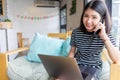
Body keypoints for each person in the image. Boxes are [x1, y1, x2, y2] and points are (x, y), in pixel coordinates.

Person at [55, 0, 120, 80]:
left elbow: (117, 59)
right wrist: (67, 67)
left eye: (94, 17)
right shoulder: (76, 32)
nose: (88, 21)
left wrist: (104, 37)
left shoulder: (105, 34)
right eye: (86, 16)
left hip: (93, 68)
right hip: (76, 64)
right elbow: (72, 52)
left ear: (102, 19)